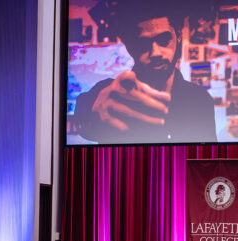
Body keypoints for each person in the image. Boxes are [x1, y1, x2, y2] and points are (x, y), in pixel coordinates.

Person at [74, 0, 217, 144]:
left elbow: (207, 157)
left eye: (164, 39)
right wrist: (94, 118)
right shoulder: (109, 93)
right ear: (130, 47)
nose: (155, 53)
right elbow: (82, 118)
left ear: (178, 36)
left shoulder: (200, 100)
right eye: (143, 43)